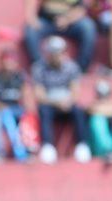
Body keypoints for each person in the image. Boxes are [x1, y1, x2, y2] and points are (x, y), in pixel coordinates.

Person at [31, 36, 88, 164]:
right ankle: (47, 146)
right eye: (53, 53)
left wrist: (68, 102)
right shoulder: (39, 68)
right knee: (44, 111)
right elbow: (39, 95)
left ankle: (82, 145)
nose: (56, 56)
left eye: (59, 53)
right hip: (50, 104)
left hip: (67, 104)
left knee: (79, 111)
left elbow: (75, 93)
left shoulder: (72, 67)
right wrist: (56, 103)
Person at [0, 48, 31, 164]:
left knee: (27, 118)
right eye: (5, 62)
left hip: (16, 109)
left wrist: (28, 111)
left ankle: (26, 151)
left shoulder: (20, 77)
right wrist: (0, 106)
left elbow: (26, 96)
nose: (8, 65)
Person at [24, 0, 98, 72]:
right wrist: (32, 17)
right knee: (31, 30)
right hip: (46, 22)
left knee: (88, 27)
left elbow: (81, 10)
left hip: (70, 24)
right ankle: (41, 69)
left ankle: (80, 69)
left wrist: (67, 20)